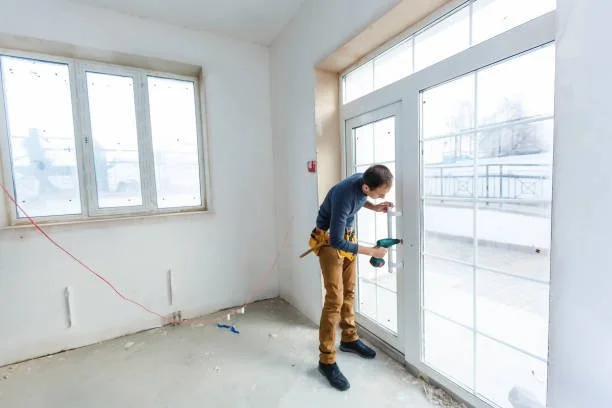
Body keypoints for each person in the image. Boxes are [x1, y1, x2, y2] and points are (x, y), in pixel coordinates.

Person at [307, 164, 394, 391]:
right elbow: (336, 241)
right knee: (334, 300)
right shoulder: (346, 193)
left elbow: (359, 200)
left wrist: (374, 207)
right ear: (367, 186)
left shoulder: (361, 182)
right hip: (329, 242)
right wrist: (371, 252)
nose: (382, 197)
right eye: (380, 194)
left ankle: (349, 339)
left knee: (349, 291)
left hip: (347, 237)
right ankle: (326, 360)